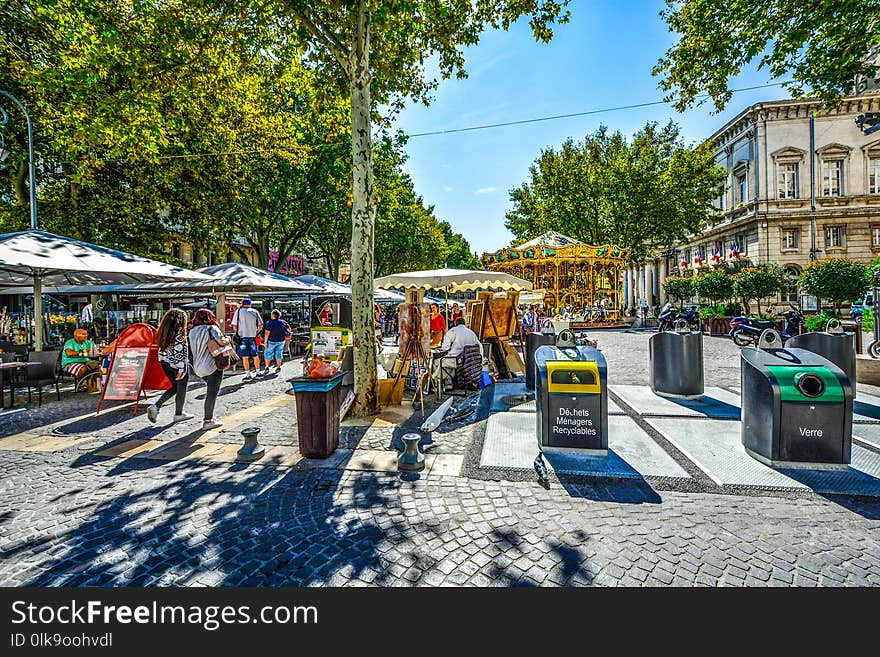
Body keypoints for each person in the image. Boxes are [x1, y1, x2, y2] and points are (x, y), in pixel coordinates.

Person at [147, 309, 195, 424]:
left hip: (165, 362)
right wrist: (181, 368)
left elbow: (162, 350)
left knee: (175, 387)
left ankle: (156, 406)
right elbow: (180, 351)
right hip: (178, 364)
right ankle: (179, 413)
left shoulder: (163, 331)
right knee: (181, 388)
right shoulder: (179, 332)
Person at [188, 309, 225, 431]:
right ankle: (208, 420)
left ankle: (209, 418)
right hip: (213, 365)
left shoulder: (192, 331)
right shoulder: (212, 328)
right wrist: (228, 339)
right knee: (211, 393)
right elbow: (221, 341)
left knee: (210, 390)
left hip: (198, 368)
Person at [432, 317, 481, 391]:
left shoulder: (453, 331)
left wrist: (449, 348)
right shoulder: (471, 332)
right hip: (469, 362)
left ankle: (438, 385)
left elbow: (445, 347)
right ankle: (449, 384)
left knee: (437, 362)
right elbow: (479, 346)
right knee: (448, 360)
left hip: (458, 361)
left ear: (455, 323)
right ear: (464, 323)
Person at [231, 298, 263, 380]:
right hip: (253, 336)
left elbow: (234, 325)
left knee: (245, 357)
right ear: (250, 304)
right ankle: (258, 372)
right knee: (255, 355)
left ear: (242, 304)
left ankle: (248, 374)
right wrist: (256, 332)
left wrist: (237, 333)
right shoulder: (255, 312)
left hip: (242, 337)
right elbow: (261, 325)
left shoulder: (237, 312)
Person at [261, 309, 290, 375]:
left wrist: (265, 342)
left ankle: (267, 367)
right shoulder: (283, 322)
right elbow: (289, 329)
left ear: (273, 315)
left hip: (272, 340)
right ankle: (278, 367)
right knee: (279, 353)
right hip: (281, 340)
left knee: (268, 353)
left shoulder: (269, 323)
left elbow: (267, 333)